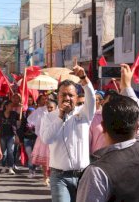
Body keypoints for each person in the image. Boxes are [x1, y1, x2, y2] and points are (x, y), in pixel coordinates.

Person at [77, 64, 139, 202]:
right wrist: (127, 86)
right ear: (137, 126)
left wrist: (126, 87)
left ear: (103, 126)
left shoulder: (97, 172)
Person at [40, 62, 96, 202]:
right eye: (63, 95)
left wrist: (83, 77)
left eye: (71, 95)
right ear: (57, 97)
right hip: (59, 177)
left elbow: (92, 98)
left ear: (77, 98)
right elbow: (47, 139)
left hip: (83, 176)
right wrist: (60, 117)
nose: (67, 98)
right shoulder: (49, 117)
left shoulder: (84, 114)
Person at [32, 99, 57, 185]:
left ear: (56, 108)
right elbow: (38, 128)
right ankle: (45, 177)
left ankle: (51, 177)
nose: (49, 109)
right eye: (48, 107)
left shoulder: (58, 116)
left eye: (51, 107)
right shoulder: (44, 116)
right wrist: (41, 136)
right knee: (45, 161)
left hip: (54, 141)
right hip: (44, 140)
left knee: (53, 161)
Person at [0, 100, 19, 175]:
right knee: (4, 152)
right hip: (2, 135)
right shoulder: (0, 113)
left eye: (12, 106)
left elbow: (20, 119)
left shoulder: (14, 114)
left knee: (10, 151)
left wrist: (21, 108)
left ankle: (10, 167)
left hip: (11, 135)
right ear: (6, 106)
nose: (11, 107)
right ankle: (3, 166)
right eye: (10, 105)